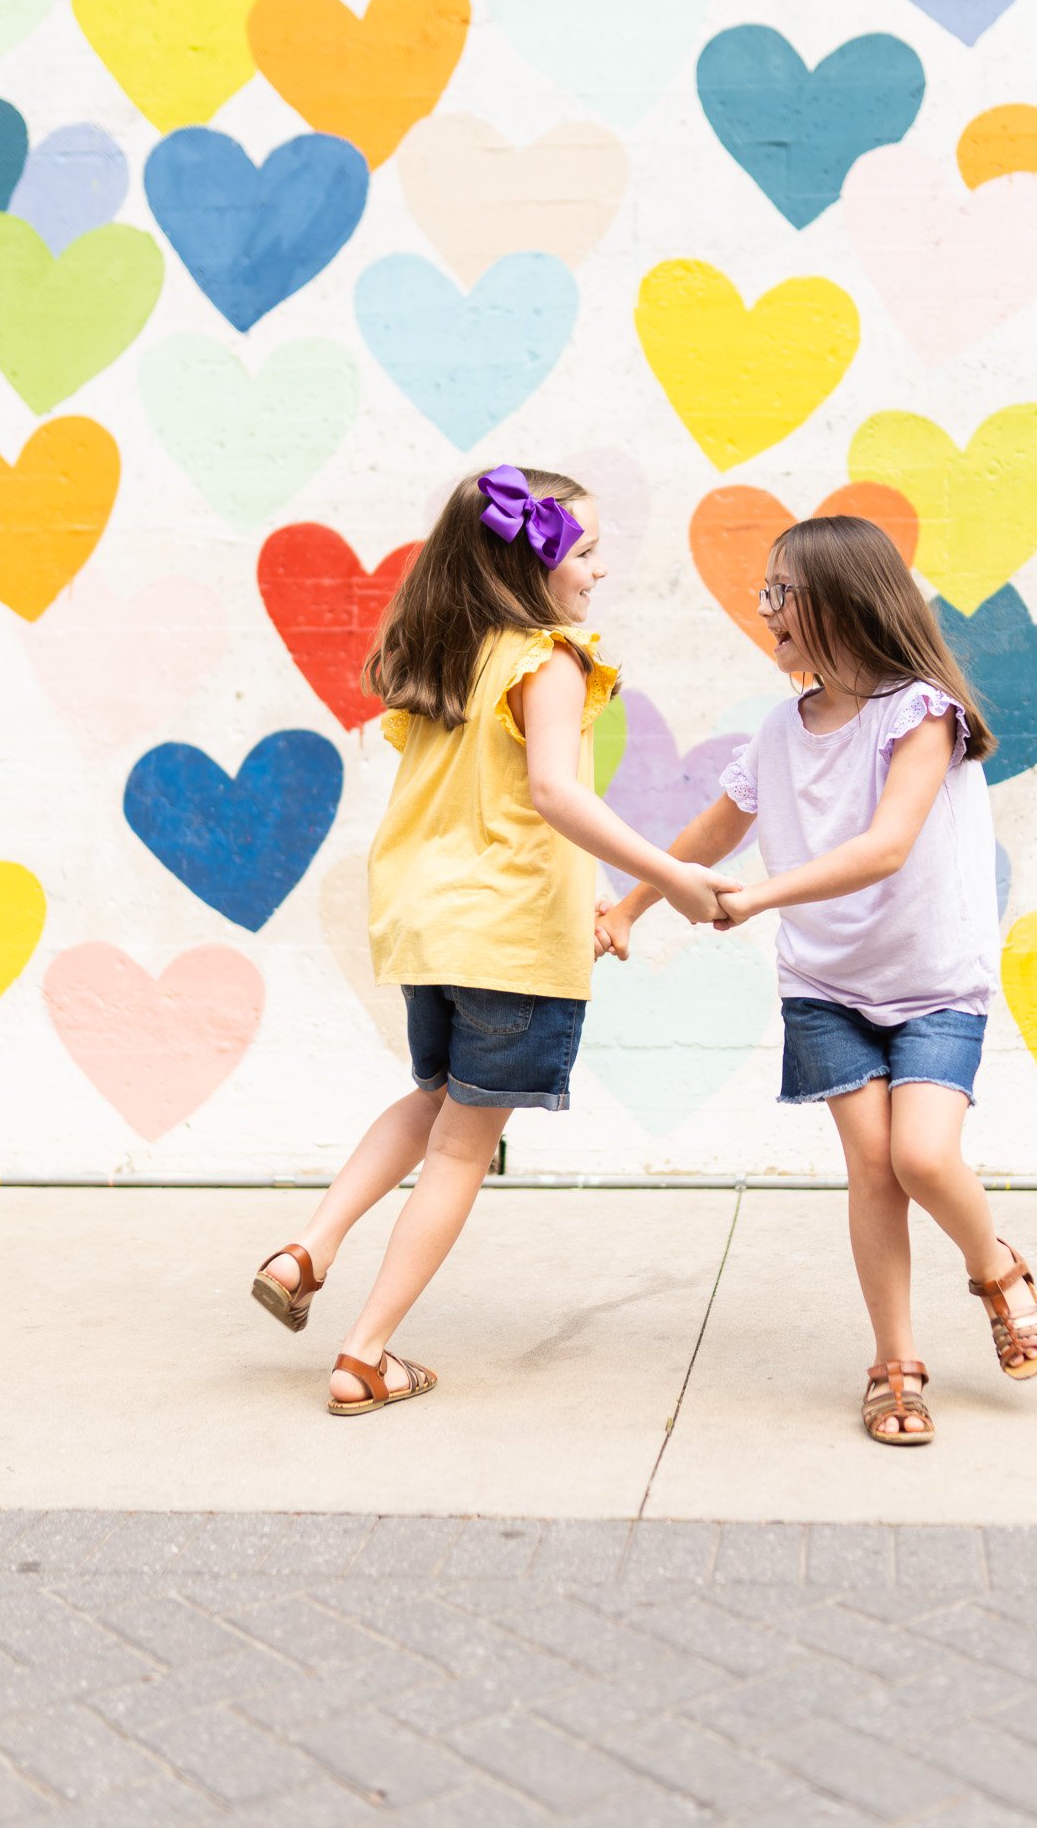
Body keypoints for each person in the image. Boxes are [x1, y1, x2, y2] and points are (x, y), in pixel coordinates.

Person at [251, 465, 739, 1415]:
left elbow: (493, 803)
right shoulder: (547, 659)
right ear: (537, 561)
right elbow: (554, 794)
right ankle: (364, 1354)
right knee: (464, 1149)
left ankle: (306, 1245)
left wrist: (605, 904)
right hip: (508, 934)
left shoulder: (445, 655)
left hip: (431, 922)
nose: (598, 573)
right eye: (586, 552)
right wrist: (673, 878)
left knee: (434, 1097)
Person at [596, 516, 1037, 1445]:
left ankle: (996, 1268)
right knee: (872, 1170)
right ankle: (895, 1365)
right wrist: (632, 905)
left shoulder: (920, 712)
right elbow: (711, 836)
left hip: (931, 981)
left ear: (837, 601)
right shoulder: (778, 729)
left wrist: (759, 897)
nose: (763, 609)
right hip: (825, 986)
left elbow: (885, 846)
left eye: (778, 592)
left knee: (922, 1157)